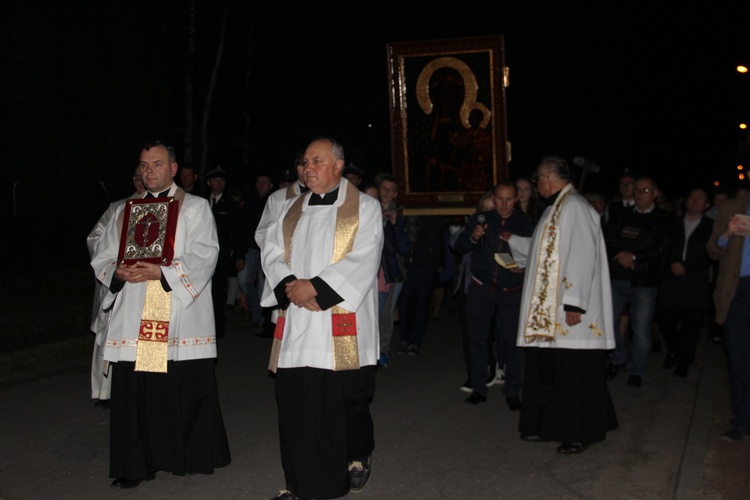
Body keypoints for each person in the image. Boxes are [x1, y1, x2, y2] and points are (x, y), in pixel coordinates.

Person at [90, 140, 230, 488]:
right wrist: (115, 272)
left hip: (173, 309)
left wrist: (162, 273)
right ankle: (135, 464)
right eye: (143, 165)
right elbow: (102, 253)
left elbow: (205, 253)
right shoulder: (125, 210)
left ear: (172, 169)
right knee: (135, 390)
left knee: (173, 387)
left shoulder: (194, 207)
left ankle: (183, 455)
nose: (147, 171)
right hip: (133, 310)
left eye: (156, 164)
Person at [261, 138, 383, 499]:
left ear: (338, 166)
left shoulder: (365, 208)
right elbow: (270, 250)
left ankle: (334, 478)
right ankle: (297, 483)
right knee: (294, 405)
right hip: (298, 323)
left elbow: (364, 256)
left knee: (340, 405)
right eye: (306, 162)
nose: (308, 168)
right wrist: (288, 285)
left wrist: (316, 290)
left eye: (317, 161)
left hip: (337, 319)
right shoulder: (290, 208)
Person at [505, 155, 617, 454]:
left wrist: (574, 304)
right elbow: (544, 249)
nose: (536, 185)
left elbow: (581, 255)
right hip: (550, 313)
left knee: (574, 374)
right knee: (551, 370)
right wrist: (512, 241)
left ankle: (579, 431)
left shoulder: (575, 208)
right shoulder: (556, 208)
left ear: (546, 178)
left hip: (568, 312)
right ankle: (547, 424)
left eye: (536, 180)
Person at [453, 181, 533, 408]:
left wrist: (523, 269)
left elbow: (536, 257)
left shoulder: (525, 225)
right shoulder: (482, 220)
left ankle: (512, 392)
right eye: (500, 198)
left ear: (516, 200)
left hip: (512, 290)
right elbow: (458, 247)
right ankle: (478, 388)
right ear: (493, 198)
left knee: (513, 341)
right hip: (482, 288)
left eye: (509, 198)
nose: (504, 203)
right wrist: (473, 237)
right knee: (478, 339)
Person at [605, 176, 673, 387]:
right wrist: (621, 255)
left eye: (645, 191)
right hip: (617, 278)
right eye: (637, 191)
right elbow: (607, 239)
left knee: (641, 328)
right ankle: (618, 357)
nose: (639, 194)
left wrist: (634, 257)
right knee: (609, 322)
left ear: (655, 193)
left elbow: (663, 247)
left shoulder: (664, 218)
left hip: (644, 281)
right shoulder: (621, 214)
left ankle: (636, 370)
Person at [86, 168, 145, 409]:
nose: (143, 180)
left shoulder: (168, 205)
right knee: (109, 333)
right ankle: (105, 390)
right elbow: (95, 239)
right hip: (119, 279)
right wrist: (113, 264)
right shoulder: (119, 207)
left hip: (145, 281)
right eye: (138, 176)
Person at [707, 189, 750, 441]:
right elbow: (712, 249)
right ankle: (743, 420)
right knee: (739, 358)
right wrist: (727, 234)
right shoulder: (732, 208)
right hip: (737, 292)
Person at [658, 188, 712, 378]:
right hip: (671, 279)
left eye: (700, 199)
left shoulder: (711, 226)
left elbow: (712, 252)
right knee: (664, 316)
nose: (695, 201)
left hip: (695, 281)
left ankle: (683, 363)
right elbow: (664, 245)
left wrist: (687, 266)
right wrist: (673, 262)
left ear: (707, 205)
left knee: (692, 324)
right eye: (692, 198)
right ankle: (675, 349)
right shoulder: (673, 223)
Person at [255, 151, 307, 338]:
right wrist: (280, 254)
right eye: (303, 165)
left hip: (315, 270)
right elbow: (262, 234)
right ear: (298, 169)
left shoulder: (329, 198)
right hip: (287, 268)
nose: (308, 170)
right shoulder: (278, 198)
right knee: (286, 331)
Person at [205, 166, 247, 339]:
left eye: (222, 181)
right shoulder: (201, 201)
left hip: (222, 255)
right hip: (201, 255)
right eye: (216, 180)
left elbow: (239, 231)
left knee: (218, 291)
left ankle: (217, 329)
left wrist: (239, 255)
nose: (219, 184)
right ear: (209, 183)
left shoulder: (231, 204)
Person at [375, 174, 410, 368]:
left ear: (396, 193)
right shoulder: (369, 210)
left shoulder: (401, 215)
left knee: (386, 313)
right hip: (372, 272)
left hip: (392, 272)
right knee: (374, 313)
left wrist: (395, 225)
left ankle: (383, 351)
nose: (387, 193)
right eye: (384, 188)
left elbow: (404, 248)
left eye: (391, 189)